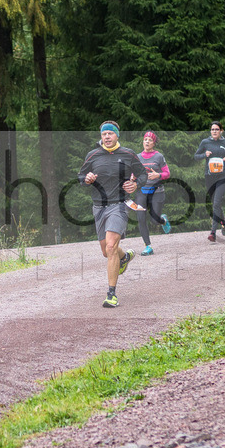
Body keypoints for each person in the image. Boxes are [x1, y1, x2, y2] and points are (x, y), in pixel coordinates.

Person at [77, 120, 148, 308]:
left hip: (119, 205)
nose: (107, 137)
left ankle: (111, 294)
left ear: (117, 135)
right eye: (103, 134)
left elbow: (143, 175)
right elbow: (80, 177)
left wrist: (136, 184)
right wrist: (87, 179)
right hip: (99, 206)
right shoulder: (92, 155)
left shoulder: (128, 154)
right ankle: (124, 257)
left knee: (110, 246)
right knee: (106, 252)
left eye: (110, 133)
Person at [194, 121, 225, 242]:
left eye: (217, 129)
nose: (214, 131)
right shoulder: (205, 142)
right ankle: (223, 221)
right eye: (212, 129)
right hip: (209, 176)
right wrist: (204, 155)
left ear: (221, 131)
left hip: (223, 176)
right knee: (215, 203)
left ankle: (213, 232)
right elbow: (196, 156)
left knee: (216, 203)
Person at [134, 131, 171, 256]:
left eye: (150, 140)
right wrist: (131, 178)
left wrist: (158, 175)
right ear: (143, 142)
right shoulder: (137, 157)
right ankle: (148, 246)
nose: (147, 142)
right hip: (142, 191)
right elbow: (134, 174)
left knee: (154, 221)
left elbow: (167, 173)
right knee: (141, 218)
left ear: (154, 143)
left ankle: (163, 220)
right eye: (145, 139)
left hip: (157, 191)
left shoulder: (159, 156)